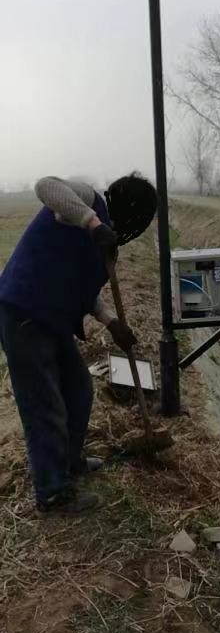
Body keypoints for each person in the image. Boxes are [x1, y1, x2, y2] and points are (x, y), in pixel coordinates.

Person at [0, 173, 158, 514]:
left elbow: (84, 292)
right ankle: (52, 494)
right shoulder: (86, 199)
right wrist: (93, 223)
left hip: (52, 320)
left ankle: (70, 462)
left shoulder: (106, 245)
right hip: (24, 314)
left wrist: (112, 323)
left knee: (79, 391)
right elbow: (45, 186)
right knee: (45, 406)